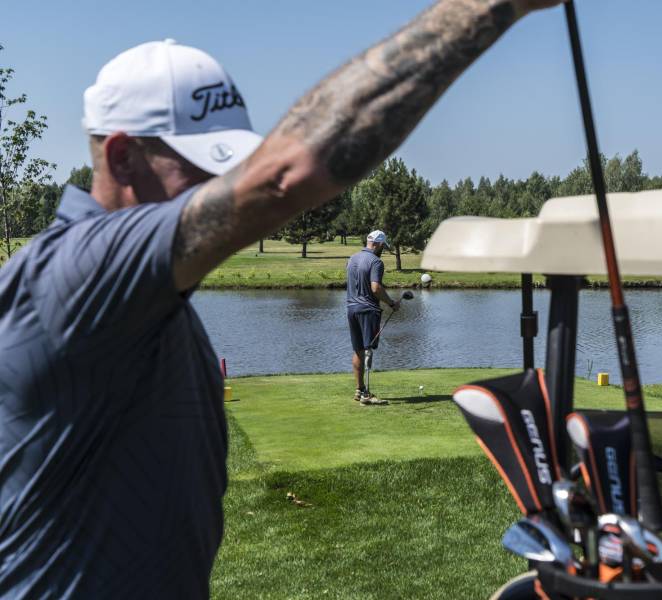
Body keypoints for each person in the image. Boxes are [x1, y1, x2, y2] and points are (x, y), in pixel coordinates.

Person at [0, 0, 565, 597]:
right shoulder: (80, 273)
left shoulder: (139, 298)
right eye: (200, 167)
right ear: (120, 156)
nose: (218, 191)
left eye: (228, 166)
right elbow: (283, 177)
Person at [346, 230, 399, 405]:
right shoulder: (376, 261)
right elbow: (375, 288)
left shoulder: (352, 258)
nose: (383, 249)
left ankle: (359, 389)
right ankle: (366, 395)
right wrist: (391, 303)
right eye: (383, 246)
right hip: (368, 309)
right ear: (378, 244)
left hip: (351, 308)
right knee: (368, 349)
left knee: (358, 350)